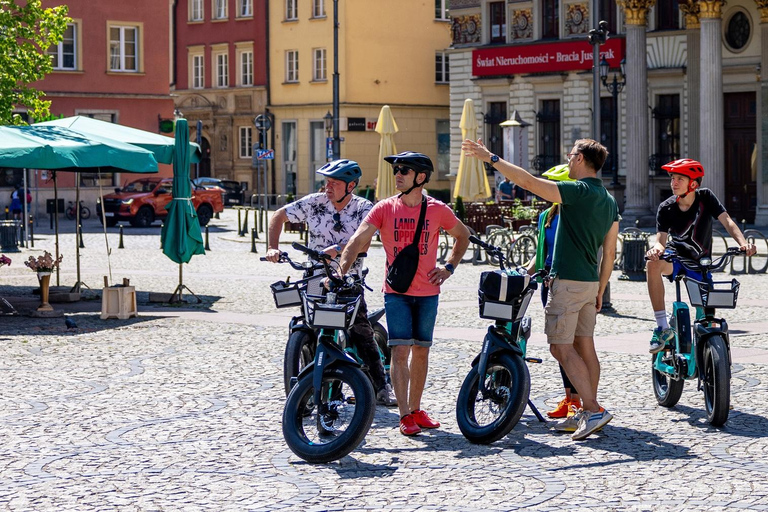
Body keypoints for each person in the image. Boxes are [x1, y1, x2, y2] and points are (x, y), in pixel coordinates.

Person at [462, 138, 618, 441]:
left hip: (567, 282)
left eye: (571, 155)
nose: (568, 160)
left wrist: (491, 158)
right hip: (588, 283)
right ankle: (587, 411)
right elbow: (609, 253)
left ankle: (592, 409)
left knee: (560, 348)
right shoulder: (608, 200)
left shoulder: (578, 190)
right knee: (585, 347)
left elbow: (528, 182)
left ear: (581, 159)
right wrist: (600, 289)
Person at [338, 151, 470, 436]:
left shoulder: (437, 210)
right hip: (396, 291)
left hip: (428, 292)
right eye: (396, 170)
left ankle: (417, 409)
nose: (397, 175)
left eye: (404, 170)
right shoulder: (384, 208)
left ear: (420, 177)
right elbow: (356, 240)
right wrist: (340, 272)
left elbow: (463, 235)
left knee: (421, 350)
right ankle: (404, 414)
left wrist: (449, 267)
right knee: (399, 351)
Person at [265, 159, 396, 407]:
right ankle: (313, 383)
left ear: (351, 186)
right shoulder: (314, 202)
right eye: (327, 182)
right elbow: (279, 216)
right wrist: (273, 247)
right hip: (315, 277)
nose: (328, 187)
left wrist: (339, 249)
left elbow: (366, 241)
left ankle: (382, 386)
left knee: (360, 331)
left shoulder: (363, 208)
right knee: (310, 324)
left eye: (334, 183)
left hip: (347, 278)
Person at [645, 158, 756, 353]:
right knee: (652, 265)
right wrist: (656, 250)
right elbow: (661, 241)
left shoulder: (706, 198)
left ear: (693, 184)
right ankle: (662, 327)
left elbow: (727, 221)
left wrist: (743, 243)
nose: (673, 183)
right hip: (675, 259)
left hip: (700, 264)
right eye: (672, 178)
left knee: (707, 317)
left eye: (679, 179)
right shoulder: (666, 207)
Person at [527, 164, 581, 419]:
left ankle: (578, 400)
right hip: (548, 284)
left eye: (554, 185)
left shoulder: (577, 216)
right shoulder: (546, 216)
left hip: (570, 281)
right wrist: (523, 272)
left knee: (572, 344)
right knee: (559, 342)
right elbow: (541, 252)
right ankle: (569, 398)